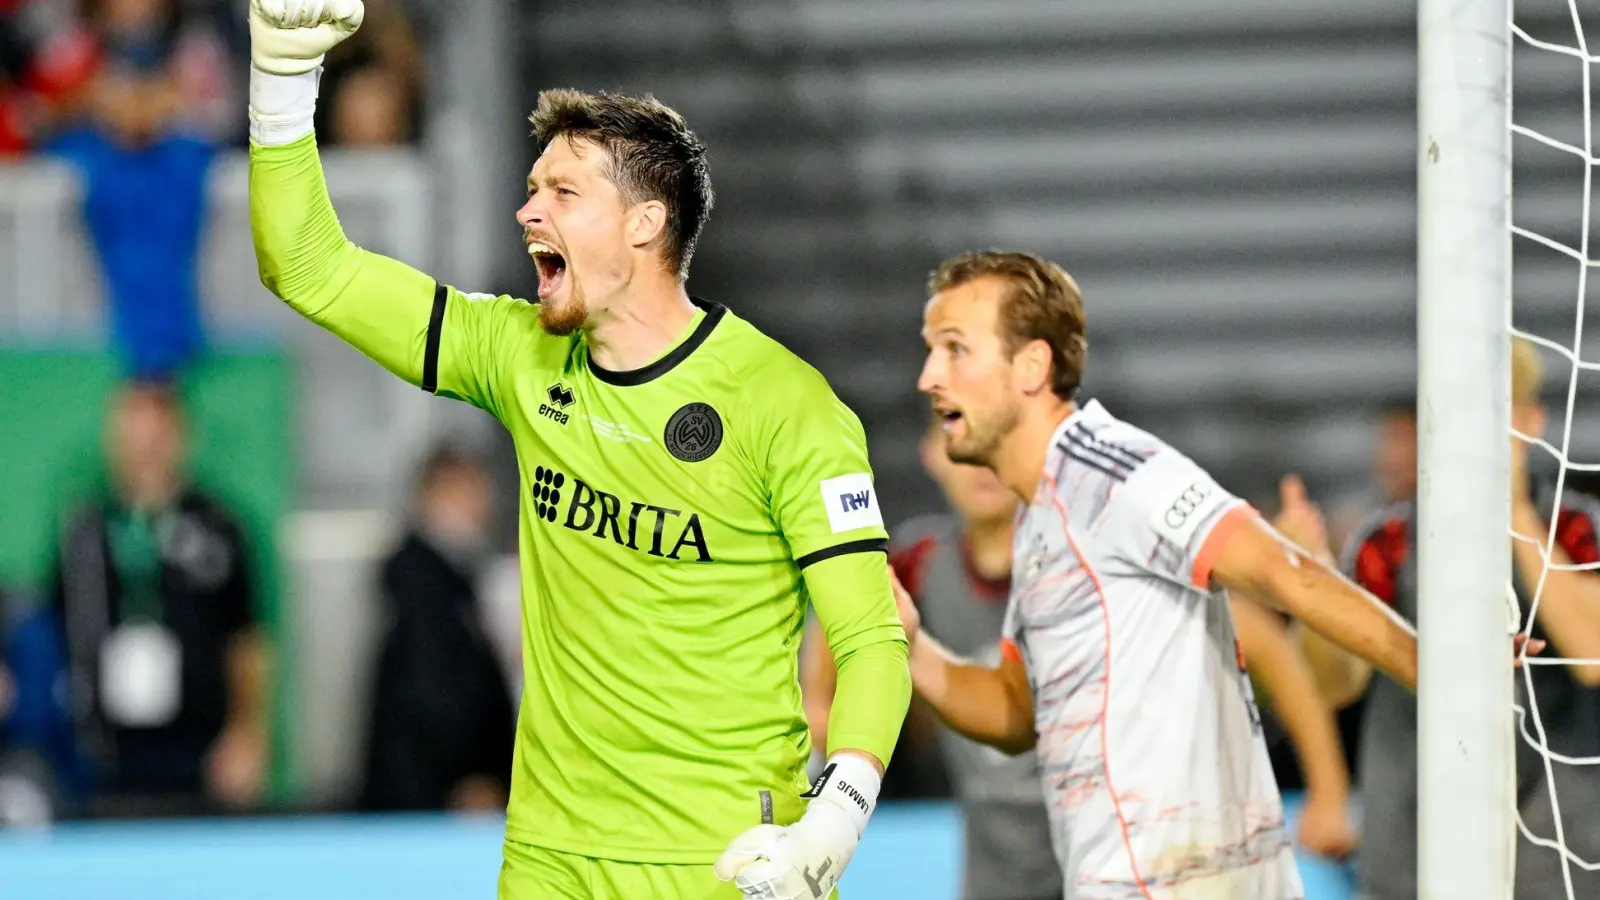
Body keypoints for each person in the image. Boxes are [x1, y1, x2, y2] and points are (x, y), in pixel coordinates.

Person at [245, 3, 909, 898]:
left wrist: (834, 820)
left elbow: (870, 639)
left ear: (644, 224)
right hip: (549, 862)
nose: (527, 212)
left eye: (562, 192)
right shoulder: (518, 353)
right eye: (531, 189)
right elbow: (308, 264)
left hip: (723, 865)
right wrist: (282, 82)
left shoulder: (785, 404)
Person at [903, 249, 1432, 898]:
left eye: (955, 349)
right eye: (931, 350)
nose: (930, 376)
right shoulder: (1042, 519)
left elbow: (1279, 570)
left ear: (1032, 366)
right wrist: (909, 646)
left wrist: (1445, 678)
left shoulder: (1113, 471)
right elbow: (1017, 710)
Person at [806, 413, 1359, 899]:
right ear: (932, 453)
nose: (976, 462)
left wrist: (1330, 791)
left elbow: (1260, 639)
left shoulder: (1090, 551)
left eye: (993, 435)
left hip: (1116, 866)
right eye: (952, 430)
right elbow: (844, 602)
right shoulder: (921, 565)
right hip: (995, 874)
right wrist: (819, 709)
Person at [1282, 338, 1600, 900]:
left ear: (1531, 419)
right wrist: (1311, 580)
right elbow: (1334, 684)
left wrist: (1516, 512)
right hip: (1408, 863)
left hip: (1558, 863)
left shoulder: (1575, 529)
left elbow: (1592, 652)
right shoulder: (1391, 542)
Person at [50, 381, 270, 818]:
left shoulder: (219, 528)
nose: (144, 449)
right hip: (107, 749)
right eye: (133, 434)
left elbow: (247, 640)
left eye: (156, 434)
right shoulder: (85, 529)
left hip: (199, 746)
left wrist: (247, 732)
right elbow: (55, 626)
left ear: (180, 437)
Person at [359, 446, 516, 814]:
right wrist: (465, 776)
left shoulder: (455, 574)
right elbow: (430, 691)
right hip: (434, 794)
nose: (485, 500)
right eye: (472, 488)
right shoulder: (420, 577)